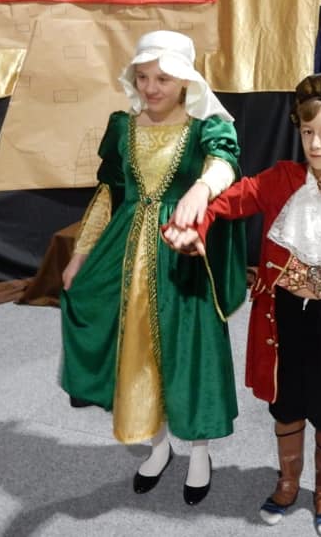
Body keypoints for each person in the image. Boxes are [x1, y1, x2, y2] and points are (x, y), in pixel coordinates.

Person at [163, 72, 321, 535]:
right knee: (286, 405)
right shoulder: (282, 179)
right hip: (281, 318)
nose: (315, 144)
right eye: (308, 132)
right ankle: (287, 483)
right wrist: (194, 224)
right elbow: (229, 202)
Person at [60, 30, 247, 506]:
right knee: (138, 350)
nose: (150, 87)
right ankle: (158, 445)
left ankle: (200, 453)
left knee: (190, 350)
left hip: (180, 256)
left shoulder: (205, 128)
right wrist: (80, 255)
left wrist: (201, 189)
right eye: (143, 77)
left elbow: (224, 164)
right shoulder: (122, 127)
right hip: (125, 256)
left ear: (185, 81)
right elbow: (108, 194)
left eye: (162, 78)